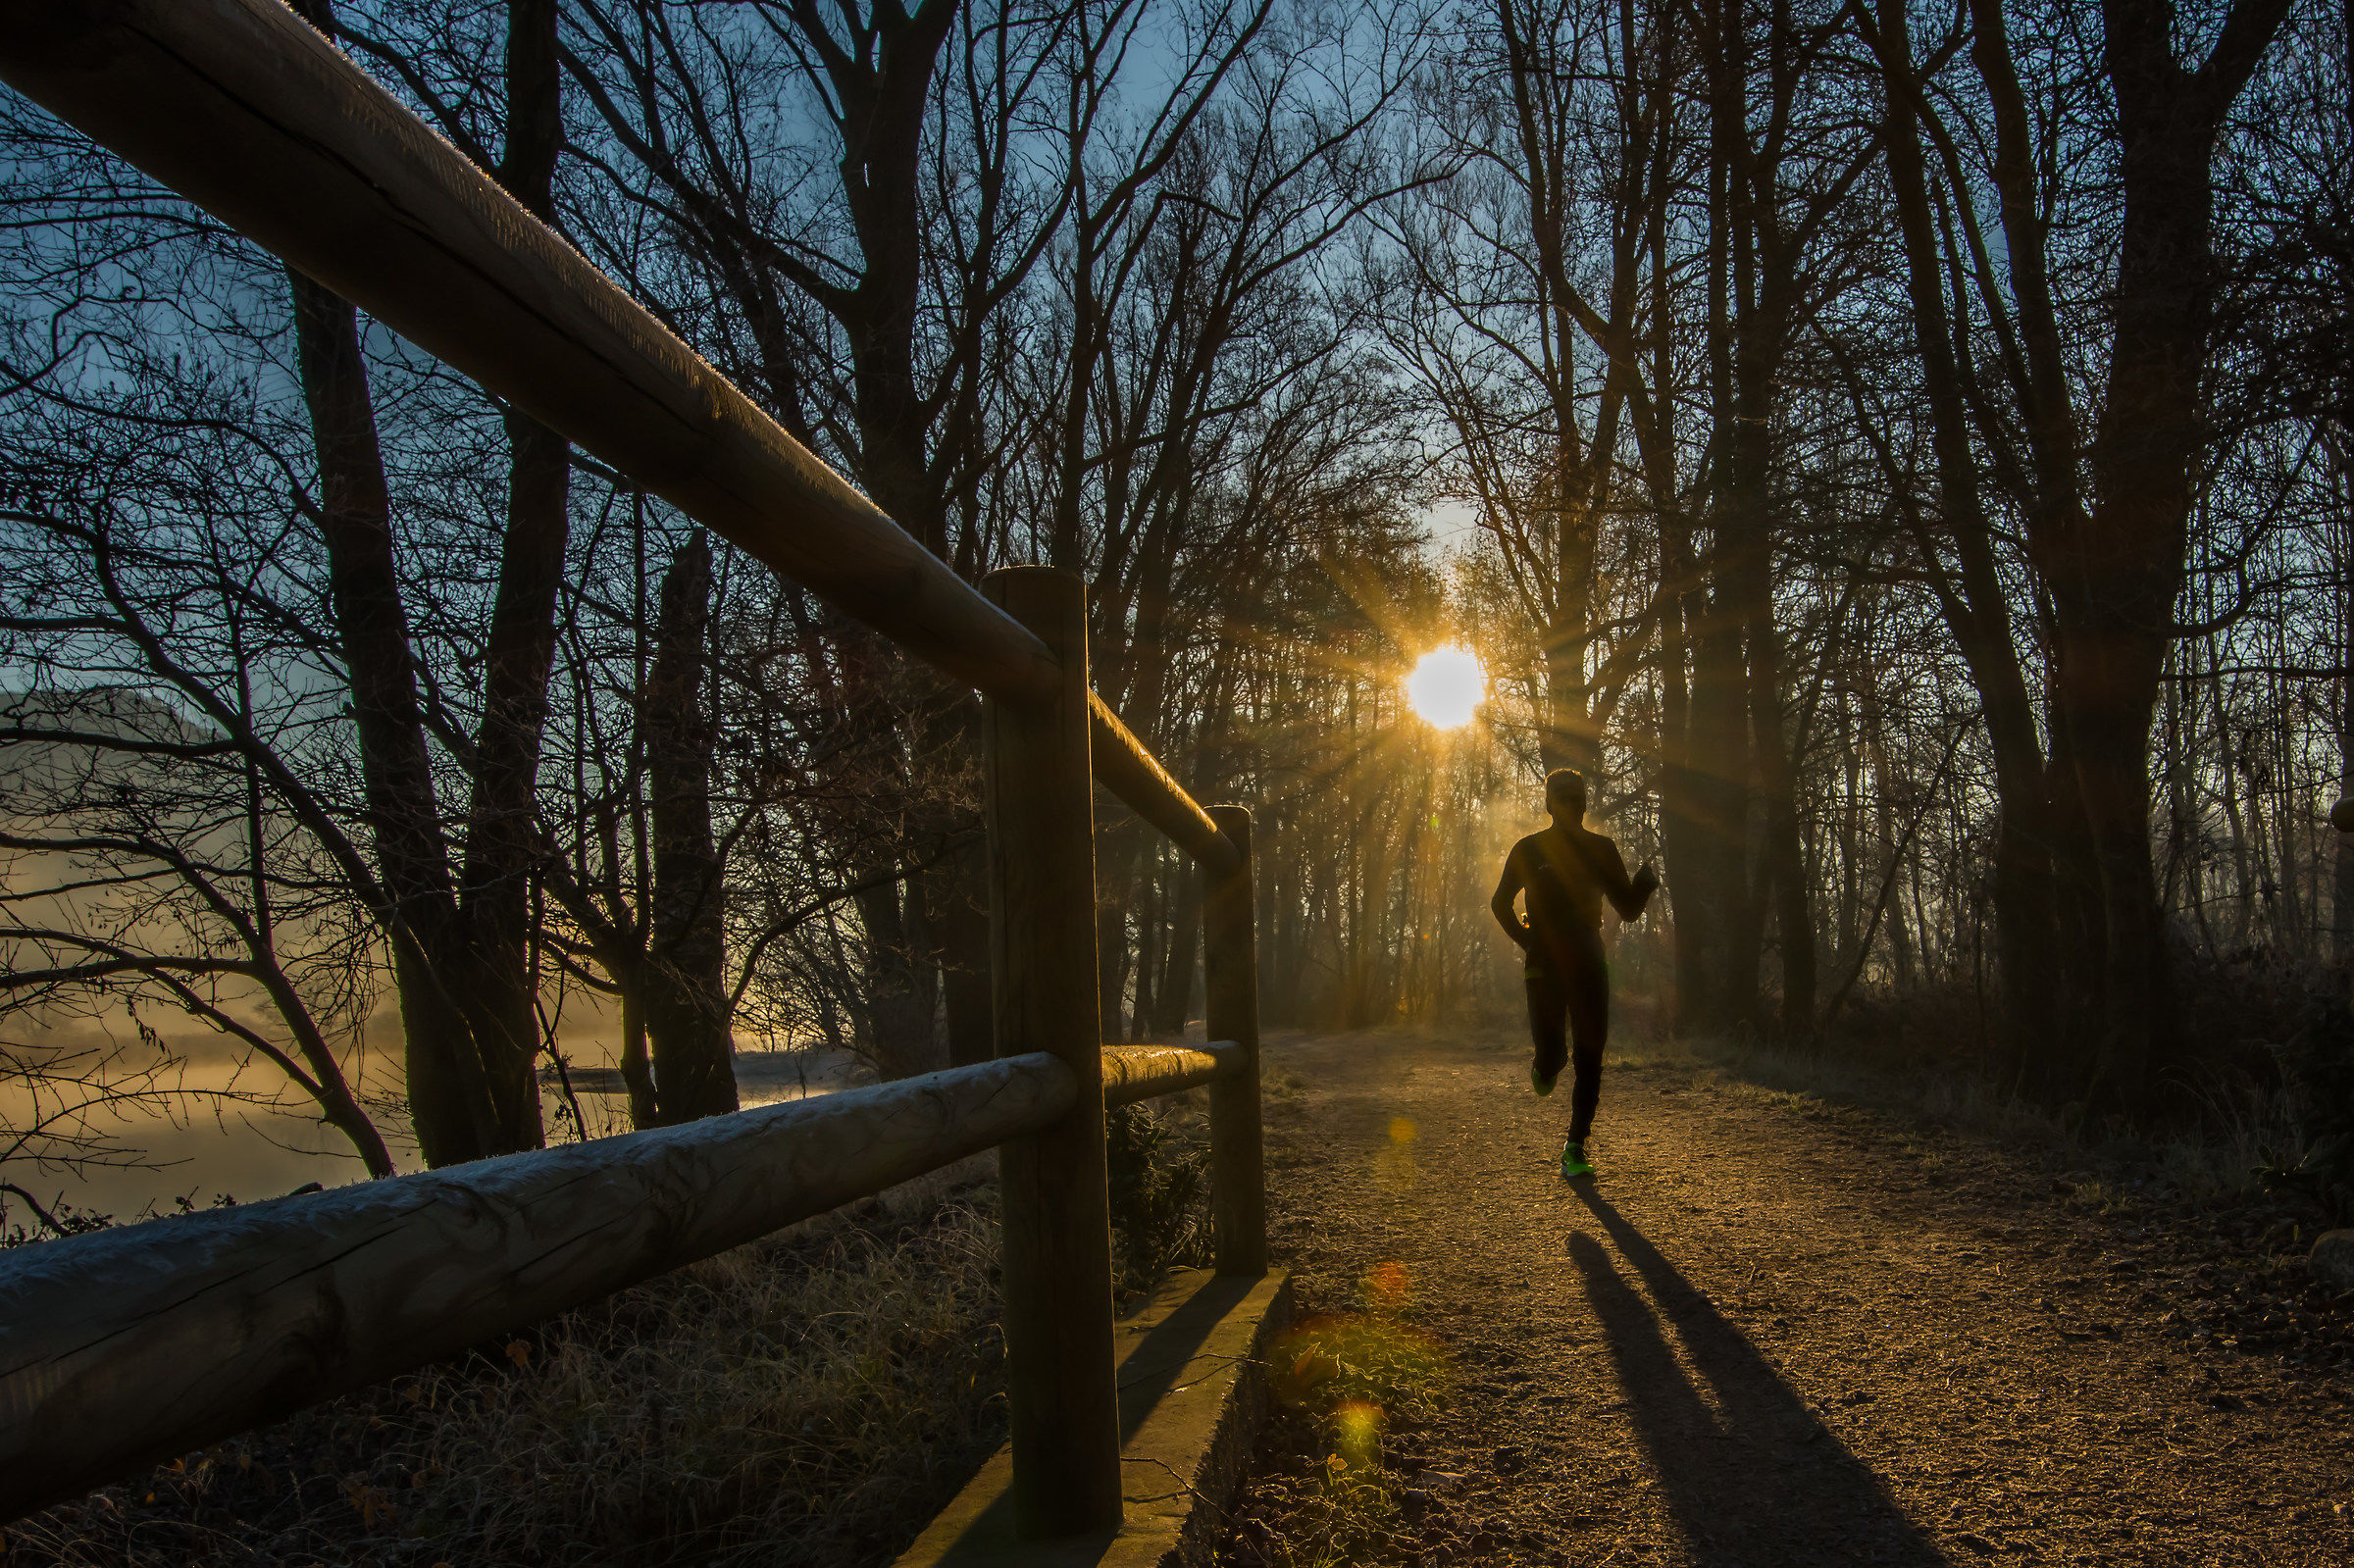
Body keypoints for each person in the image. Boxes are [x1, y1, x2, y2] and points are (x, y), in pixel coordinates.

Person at [1490, 767, 1659, 1180]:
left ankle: (1575, 1146)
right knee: (1554, 1057)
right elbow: (1499, 903)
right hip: (1544, 962)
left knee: (1591, 1051)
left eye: (1579, 798)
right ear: (1549, 804)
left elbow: (1629, 911)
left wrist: (1644, 885)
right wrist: (1527, 942)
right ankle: (1547, 1064)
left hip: (1588, 958)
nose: (1573, 804)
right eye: (1564, 797)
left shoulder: (1601, 849)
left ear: (1585, 804)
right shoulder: (1528, 850)